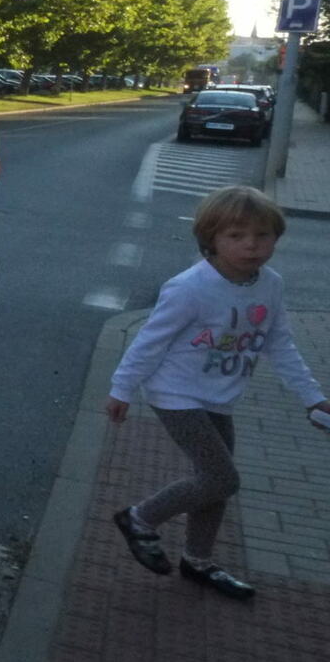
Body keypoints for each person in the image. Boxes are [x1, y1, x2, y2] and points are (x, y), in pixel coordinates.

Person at [107, 186, 326, 600]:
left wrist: (312, 397)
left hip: (220, 395)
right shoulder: (190, 287)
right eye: (237, 236)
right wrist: (121, 388)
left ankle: (198, 561)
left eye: (263, 236)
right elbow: (148, 341)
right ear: (212, 239)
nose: (252, 246)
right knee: (222, 477)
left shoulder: (270, 285)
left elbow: (279, 343)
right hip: (176, 395)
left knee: (215, 482)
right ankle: (138, 518)